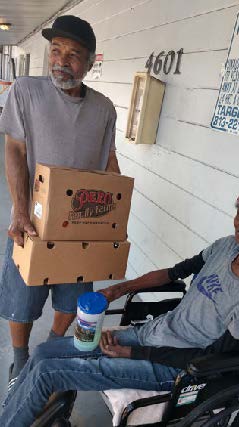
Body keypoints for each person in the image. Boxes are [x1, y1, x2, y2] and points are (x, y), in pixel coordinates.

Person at [0, 184, 239, 427]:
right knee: (42, 352)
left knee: (47, 372)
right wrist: (118, 289)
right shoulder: (226, 247)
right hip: (151, 332)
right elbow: (174, 272)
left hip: (176, 369)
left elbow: (212, 355)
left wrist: (132, 352)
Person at [0, 15, 120, 388]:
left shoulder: (104, 108)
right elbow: (15, 151)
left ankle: (49, 350)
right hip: (32, 221)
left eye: (73, 55)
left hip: (82, 222)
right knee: (22, 298)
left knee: (72, 299)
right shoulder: (25, 90)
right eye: (55, 51)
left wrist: (116, 217)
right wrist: (20, 211)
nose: (61, 62)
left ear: (90, 61)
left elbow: (110, 163)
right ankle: (19, 362)